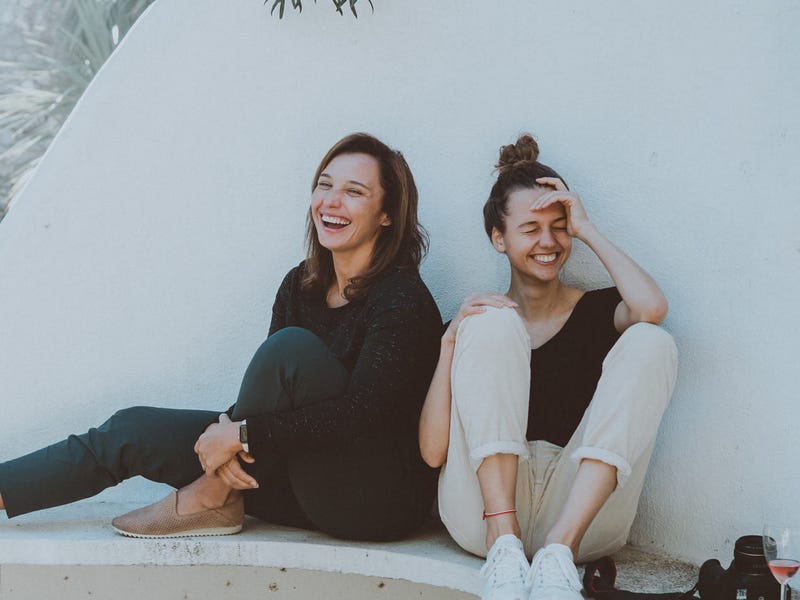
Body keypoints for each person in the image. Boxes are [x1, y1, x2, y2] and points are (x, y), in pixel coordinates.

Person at [0, 132, 442, 542]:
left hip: (370, 502)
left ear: (387, 214)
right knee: (131, 429)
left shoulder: (401, 298)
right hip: (295, 481)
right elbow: (269, 397)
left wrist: (242, 435)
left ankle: (213, 496)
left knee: (289, 348)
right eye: (324, 185)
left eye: (354, 192)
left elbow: (365, 416)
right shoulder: (301, 285)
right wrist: (230, 433)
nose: (331, 201)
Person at [419, 134, 678, 600]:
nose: (548, 241)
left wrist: (587, 228)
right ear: (498, 238)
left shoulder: (598, 311)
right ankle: (504, 540)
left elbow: (652, 308)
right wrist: (449, 343)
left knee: (651, 340)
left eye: (559, 227)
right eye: (530, 228)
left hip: (580, 517)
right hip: (482, 516)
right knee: (491, 320)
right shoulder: (477, 325)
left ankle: (558, 551)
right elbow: (433, 453)